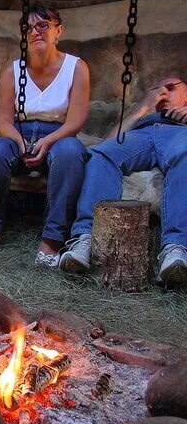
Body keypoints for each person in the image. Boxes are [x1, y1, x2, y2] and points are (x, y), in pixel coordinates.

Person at [0, 5, 90, 267]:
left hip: (58, 134)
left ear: (58, 30)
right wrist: (18, 142)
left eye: (42, 25)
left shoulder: (76, 68)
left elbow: (75, 120)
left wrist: (48, 141)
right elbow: (2, 120)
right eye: (28, 28)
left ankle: (52, 239)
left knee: (71, 153)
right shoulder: (12, 71)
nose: (35, 32)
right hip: (19, 132)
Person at [59, 76, 187, 286]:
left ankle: (175, 247)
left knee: (185, 155)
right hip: (143, 135)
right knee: (100, 154)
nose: (163, 91)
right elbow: (109, 143)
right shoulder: (145, 116)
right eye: (157, 87)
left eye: (171, 87)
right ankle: (84, 238)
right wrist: (143, 106)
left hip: (180, 133)